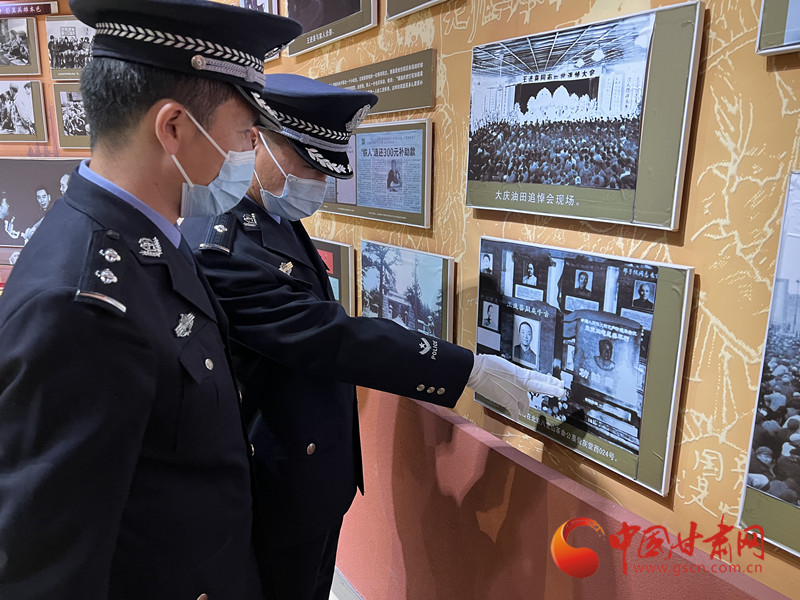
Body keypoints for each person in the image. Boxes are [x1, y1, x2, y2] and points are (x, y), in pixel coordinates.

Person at [181, 73, 565, 600]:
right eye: (311, 165)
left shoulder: (266, 214)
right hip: (277, 481)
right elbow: (331, 336)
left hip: (315, 474)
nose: (319, 182)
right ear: (257, 141)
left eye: (327, 169)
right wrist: (470, 369)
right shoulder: (221, 249)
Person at [0, 1, 302, 598]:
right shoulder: (81, 304)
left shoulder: (146, 235)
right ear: (173, 128)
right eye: (244, 133)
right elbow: (49, 568)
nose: (249, 151)